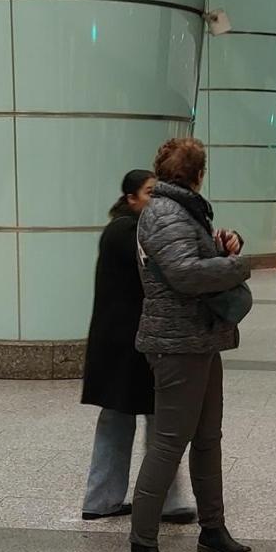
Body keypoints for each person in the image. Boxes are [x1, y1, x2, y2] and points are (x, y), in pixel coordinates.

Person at [127, 137, 253, 552]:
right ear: (198, 173)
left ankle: (212, 529)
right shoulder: (166, 213)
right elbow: (184, 274)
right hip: (176, 344)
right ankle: (141, 547)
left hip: (197, 340)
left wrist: (222, 247)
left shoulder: (183, 211)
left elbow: (189, 261)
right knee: (167, 445)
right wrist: (238, 266)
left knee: (207, 438)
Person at [78, 169, 197, 524]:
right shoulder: (126, 232)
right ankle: (161, 500)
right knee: (155, 418)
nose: (155, 199)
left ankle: (106, 499)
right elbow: (168, 264)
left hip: (127, 342)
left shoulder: (129, 229)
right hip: (127, 343)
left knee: (134, 418)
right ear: (131, 198)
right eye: (149, 193)